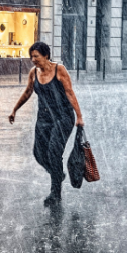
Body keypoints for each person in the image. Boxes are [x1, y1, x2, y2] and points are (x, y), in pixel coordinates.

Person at [9, 41, 85, 207]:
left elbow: (70, 93)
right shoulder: (33, 73)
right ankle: (56, 173)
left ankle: (55, 193)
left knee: (53, 153)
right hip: (44, 119)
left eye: (36, 56)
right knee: (38, 153)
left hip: (63, 117)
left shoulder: (59, 70)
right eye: (32, 57)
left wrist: (79, 116)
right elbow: (28, 92)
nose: (33, 59)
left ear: (46, 55)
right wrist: (15, 109)